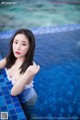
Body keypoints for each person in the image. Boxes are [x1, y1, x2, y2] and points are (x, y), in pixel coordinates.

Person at [0, 28, 40, 120]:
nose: (18, 47)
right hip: (20, 93)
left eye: (24, 44)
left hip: (28, 100)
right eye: (16, 42)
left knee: (29, 115)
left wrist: (27, 74)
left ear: (30, 47)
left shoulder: (30, 68)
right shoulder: (11, 58)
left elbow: (13, 92)